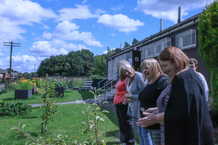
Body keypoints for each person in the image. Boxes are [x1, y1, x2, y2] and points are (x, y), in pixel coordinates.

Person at [137, 46, 215, 145]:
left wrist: (157, 118)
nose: (163, 70)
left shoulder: (185, 79)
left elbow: (186, 112)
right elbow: (180, 105)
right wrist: (158, 109)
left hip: (189, 136)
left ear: (176, 61)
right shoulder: (185, 76)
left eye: (165, 65)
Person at [119, 61, 152, 145]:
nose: (126, 73)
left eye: (127, 70)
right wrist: (130, 98)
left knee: (145, 135)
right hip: (135, 109)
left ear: (131, 68)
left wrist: (131, 96)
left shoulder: (139, 76)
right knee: (140, 134)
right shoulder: (129, 78)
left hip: (142, 109)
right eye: (124, 72)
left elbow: (144, 94)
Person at [138, 58, 169, 145]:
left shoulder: (162, 80)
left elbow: (169, 102)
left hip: (159, 125)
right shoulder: (150, 81)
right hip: (152, 124)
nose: (144, 71)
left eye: (147, 68)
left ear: (155, 67)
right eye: (143, 68)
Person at [114, 60, 135, 144]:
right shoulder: (121, 77)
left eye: (119, 67)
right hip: (118, 103)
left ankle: (130, 142)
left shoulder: (127, 78)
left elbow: (130, 90)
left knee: (127, 122)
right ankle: (123, 139)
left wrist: (124, 102)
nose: (118, 69)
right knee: (121, 122)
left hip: (123, 104)